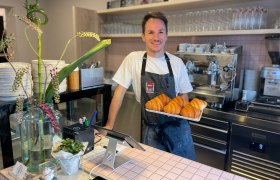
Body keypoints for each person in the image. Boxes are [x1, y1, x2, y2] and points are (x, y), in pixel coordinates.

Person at [105, 11, 196, 160]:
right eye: (150, 32)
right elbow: (119, 93)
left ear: (166, 35)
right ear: (143, 36)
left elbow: (184, 96)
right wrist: (109, 125)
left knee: (184, 171)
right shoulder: (133, 59)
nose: (156, 37)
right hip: (151, 129)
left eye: (161, 32)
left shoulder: (177, 63)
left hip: (178, 130)